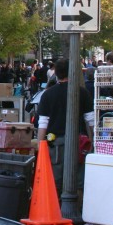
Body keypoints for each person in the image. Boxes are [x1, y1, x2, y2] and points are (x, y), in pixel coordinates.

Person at [34, 59, 90, 196]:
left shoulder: (48, 94)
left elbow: (42, 123)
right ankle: (76, 210)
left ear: (57, 74)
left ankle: (57, 208)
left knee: (55, 180)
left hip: (55, 143)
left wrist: (40, 147)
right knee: (78, 180)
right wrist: (92, 143)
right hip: (79, 143)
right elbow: (90, 121)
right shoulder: (82, 92)